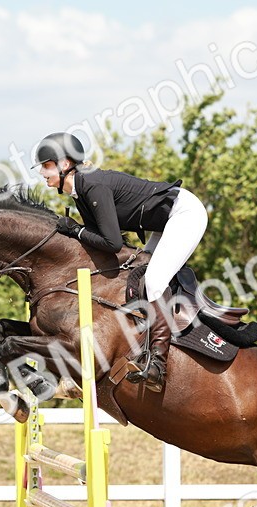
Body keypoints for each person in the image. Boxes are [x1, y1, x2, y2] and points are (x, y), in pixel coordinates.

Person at [33, 131, 208, 392]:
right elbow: (103, 247)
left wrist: (75, 230)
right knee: (136, 275)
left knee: (155, 279)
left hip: (184, 214)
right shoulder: (81, 193)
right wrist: (76, 233)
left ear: (65, 164)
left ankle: (158, 363)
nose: (43, 173)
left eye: (46, 166)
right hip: (162, 223)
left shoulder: (92, 185)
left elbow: (112, 243)